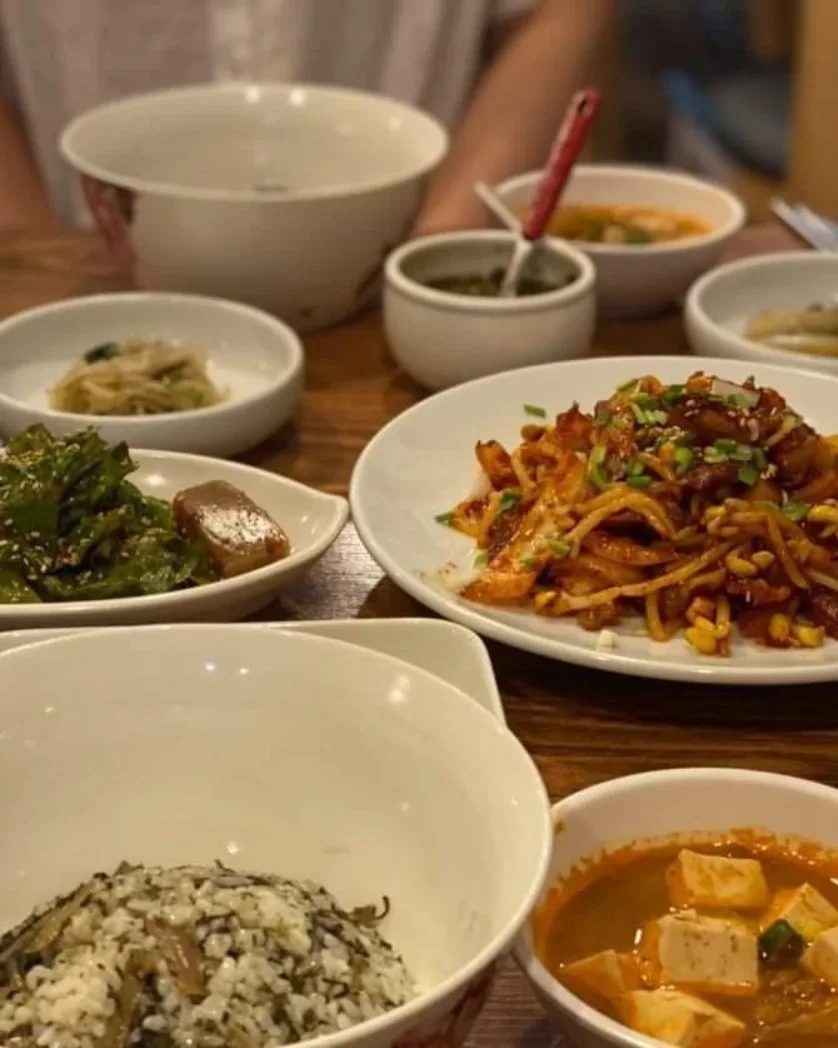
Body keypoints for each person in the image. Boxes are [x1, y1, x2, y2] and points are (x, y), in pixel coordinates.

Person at [0, 0, 613, 235]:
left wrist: (443, 239)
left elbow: (558, 10)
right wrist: (27, 247)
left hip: (402, 251)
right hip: (93, 250)